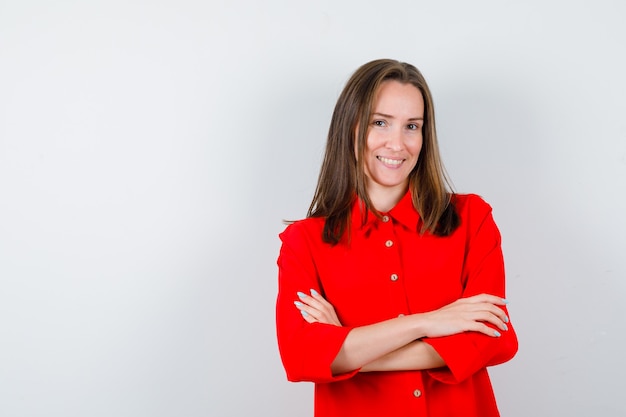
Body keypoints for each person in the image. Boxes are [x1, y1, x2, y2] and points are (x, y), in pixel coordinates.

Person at [275, 59, 518, 417]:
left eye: (412, 126)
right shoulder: (303, 242)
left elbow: (495, 340)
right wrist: (427, 323)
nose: (398, 143)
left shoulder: (472, 219)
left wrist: (347, 347)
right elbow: (299, 359)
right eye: (380, 122)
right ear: (350, 127)